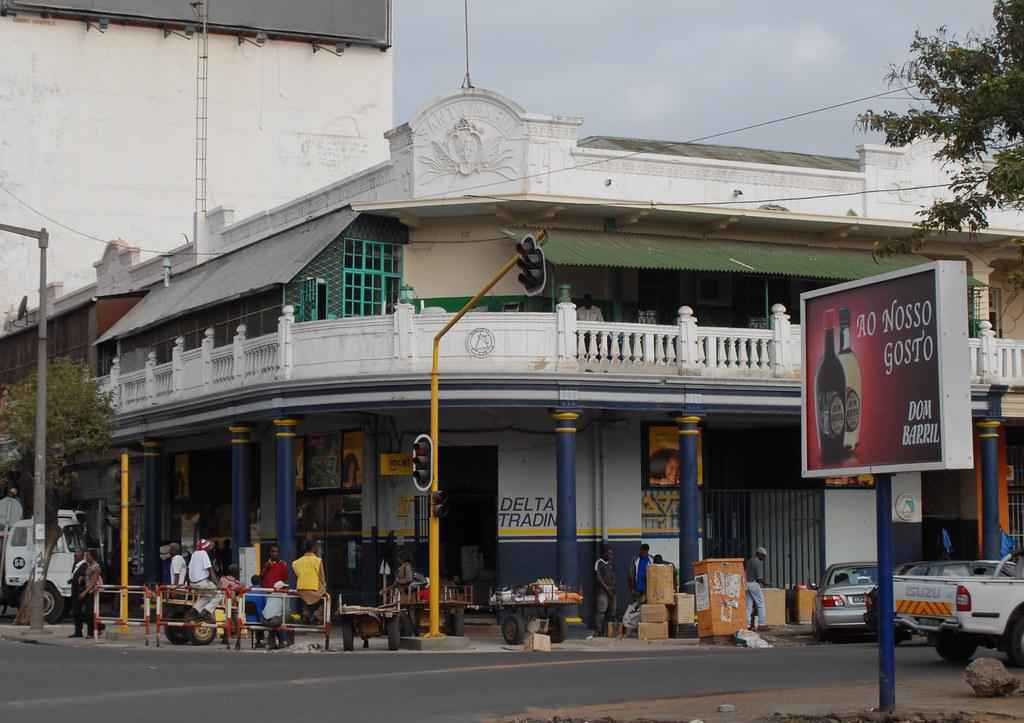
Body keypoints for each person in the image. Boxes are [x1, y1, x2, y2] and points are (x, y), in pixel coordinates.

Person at [293, 539, 326, 624]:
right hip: (313, 589)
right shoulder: (318, 561)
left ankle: (306, 614)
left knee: (306, 600)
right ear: (314, 548)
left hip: (300, 589)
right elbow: (322, 578)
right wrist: (324, 586)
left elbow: (298, 574)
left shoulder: (296, 562)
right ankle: (317, 615)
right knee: (325, 598)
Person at [188, 538, 220, 621]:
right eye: (208, 546)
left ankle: (195, 609)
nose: (210, 548)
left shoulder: (194, 554)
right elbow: (210, 570)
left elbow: (189, 569)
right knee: (220, 594)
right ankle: (207, 612)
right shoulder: (203, 553)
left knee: (207, 596)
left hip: (193, 584)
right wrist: (217, 584)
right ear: (205, 547)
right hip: (202, 583)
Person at [594, 545, 616, 636]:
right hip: (602, 591)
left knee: (612, 611)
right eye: (609, 553)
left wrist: (612, 587)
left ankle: (607, 631)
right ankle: (598, 630)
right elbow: (598, 578)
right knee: (601, 610)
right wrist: (607, 588)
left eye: (612, 554)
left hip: (612, 591)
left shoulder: (611, 563)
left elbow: (614, 576)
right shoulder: (599, 563)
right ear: (604, 553)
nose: (611, 556)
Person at [261, 580, 290, 650]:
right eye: (284, 588)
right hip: (273, 620)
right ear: (280, 589)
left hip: (263, 619)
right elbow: (286, 611)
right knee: (281, 621)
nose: (286, 589)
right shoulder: (284, 596)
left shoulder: (270, 595)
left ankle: (272, 642)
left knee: (276, 622)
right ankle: (282, 642)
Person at [82, 549, 104, 637]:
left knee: (90, 612)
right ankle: (95, 629)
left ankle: (97, 628)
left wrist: (85, 592)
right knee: (88, 612)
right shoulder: (89, 566)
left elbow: (93, 581)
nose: (86, 557)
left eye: (88, 556)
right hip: (89, 591)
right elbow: (88, 578)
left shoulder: (96, 567)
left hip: (94, 592)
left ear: (92, 556)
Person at [746, 547, 769, 631]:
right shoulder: (757, 562)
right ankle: (762, 624)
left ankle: (747, 625)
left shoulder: (750, 561)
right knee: (760, 603)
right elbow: (759, 578)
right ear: (759, 554)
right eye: (763, 556)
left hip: (746, 584)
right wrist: (765, 583)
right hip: (753, 584)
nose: (764, 558)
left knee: (748, 605)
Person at [69, 551, 88, 638]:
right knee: (76, 612)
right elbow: (75, 576)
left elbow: (84, 576)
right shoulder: (75, 565)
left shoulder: (84, 566)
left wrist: (82, 579)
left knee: (80, 612)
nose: (74, 557)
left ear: (81, 556)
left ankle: (96, 627)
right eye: (74, 555)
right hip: (74, 591)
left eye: (76, 556)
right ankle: (78, 631)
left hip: (80, 592)